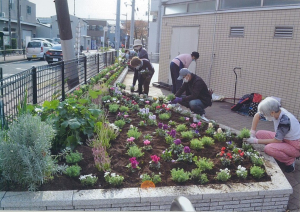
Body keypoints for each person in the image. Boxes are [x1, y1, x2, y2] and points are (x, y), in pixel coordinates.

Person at [244, 97, 300, 173]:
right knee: (259, 133)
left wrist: (255, 141)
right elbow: (257, 115)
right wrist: (252, 131)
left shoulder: (285, 120)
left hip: (295, 146)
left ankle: (290, 161)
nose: (265, 116)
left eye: (266, 115)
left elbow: (277, 140)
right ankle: (280, 152)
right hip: (284, 138)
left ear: (272, 113)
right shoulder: (276, 111)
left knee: (269, 149)